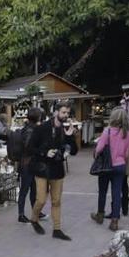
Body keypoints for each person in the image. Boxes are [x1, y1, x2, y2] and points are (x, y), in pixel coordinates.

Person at [26, 101, 78, 239]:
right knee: (41, 199)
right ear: (56, 112)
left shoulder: (67, 129)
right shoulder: (42, 128)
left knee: (56, 201)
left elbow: (74, 151)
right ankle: (34, 219)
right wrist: (44, 153)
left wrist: (70, 136)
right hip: (42, 168)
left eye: (67, 113)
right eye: (63, 112)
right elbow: (30, 148)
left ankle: (57, 229)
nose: (66, 115)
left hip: (57, 169)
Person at [91, 107, 129, 231]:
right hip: (120, 165)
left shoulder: (108, 131)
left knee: (102, 191)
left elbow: (99, 148)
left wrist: (95, 154)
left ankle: (100, 214)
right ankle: (115, 221)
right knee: (117, 193)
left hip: (106, 165)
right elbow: (127, 154)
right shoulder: (128, 134)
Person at [16, 107, 42, 223]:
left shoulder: (26, 128)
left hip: (26, 163)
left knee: (31, 189)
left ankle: (33, 212)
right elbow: (29, 147)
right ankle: (21, 215)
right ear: (38, 117)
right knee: (27, 189)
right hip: (29, 163)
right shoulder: (32, 130)